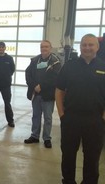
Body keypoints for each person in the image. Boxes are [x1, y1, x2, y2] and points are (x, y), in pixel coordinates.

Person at [55, 34, 105, 184]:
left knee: (92, 155)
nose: (87, 48)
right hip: (71, 118)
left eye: (91, 45)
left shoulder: (103, 66)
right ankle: (68, 180)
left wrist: (103, 117)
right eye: (84, 45)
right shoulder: (69, 66)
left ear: (97, 47)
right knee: (68, 154)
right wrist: (61, 114)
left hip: (95, 120)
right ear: (80, 46)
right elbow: (59, 91)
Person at [24, 40, 61, 148]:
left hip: (48, 95)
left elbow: (55, 78)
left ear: (50, 48)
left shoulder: (56, 62)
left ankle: (47, 138)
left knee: (48, 118)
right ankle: (34, 136)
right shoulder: (35, 60)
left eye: (46, 47)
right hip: (36, 94)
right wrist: (34, 85)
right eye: (42, 47)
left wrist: (42, 86)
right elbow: (28, 74)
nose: (44, 49)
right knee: (36, 116)